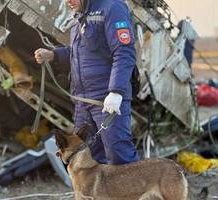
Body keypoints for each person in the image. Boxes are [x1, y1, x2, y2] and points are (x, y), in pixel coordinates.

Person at [35, 0, 140, 165]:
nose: (68, 1)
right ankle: (95, 192)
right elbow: (80, 53)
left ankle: (134, 191)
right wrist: (53, 55)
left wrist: (116, 91)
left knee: (119, 155)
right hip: (82, 102)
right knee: (88, 160)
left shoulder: (112, 7)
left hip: (105, 100)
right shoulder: (81, 14)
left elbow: (124, 52)